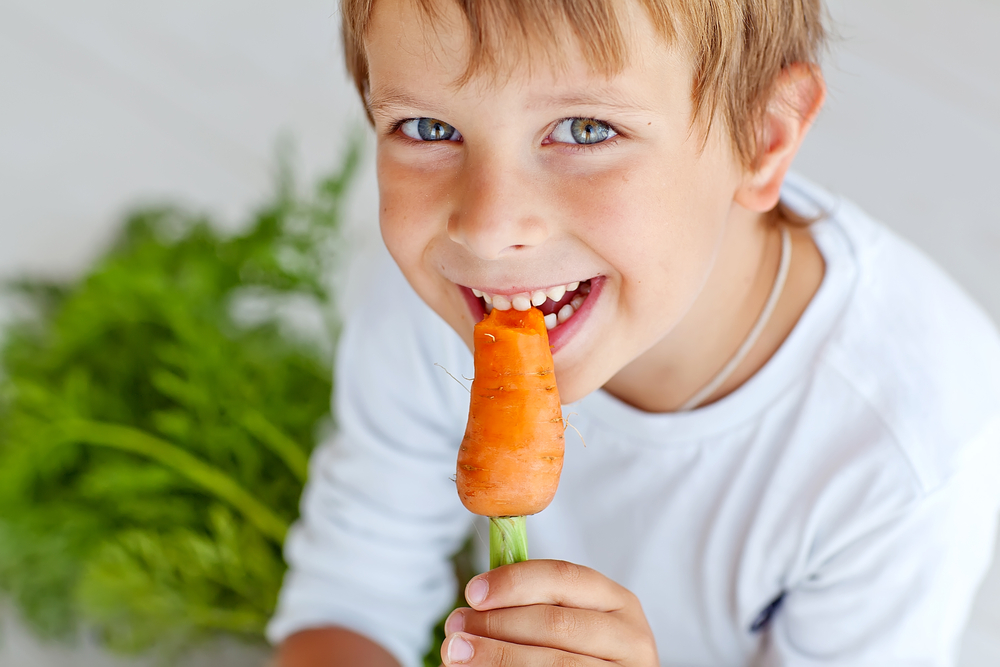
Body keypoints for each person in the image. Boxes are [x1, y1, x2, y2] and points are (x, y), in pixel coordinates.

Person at [268, 0, 1000, 665]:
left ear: (762, 137)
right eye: (429, 128)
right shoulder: (446, 293)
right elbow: (348, 600)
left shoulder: (911, 448)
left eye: (585, 130)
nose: (487, 229)